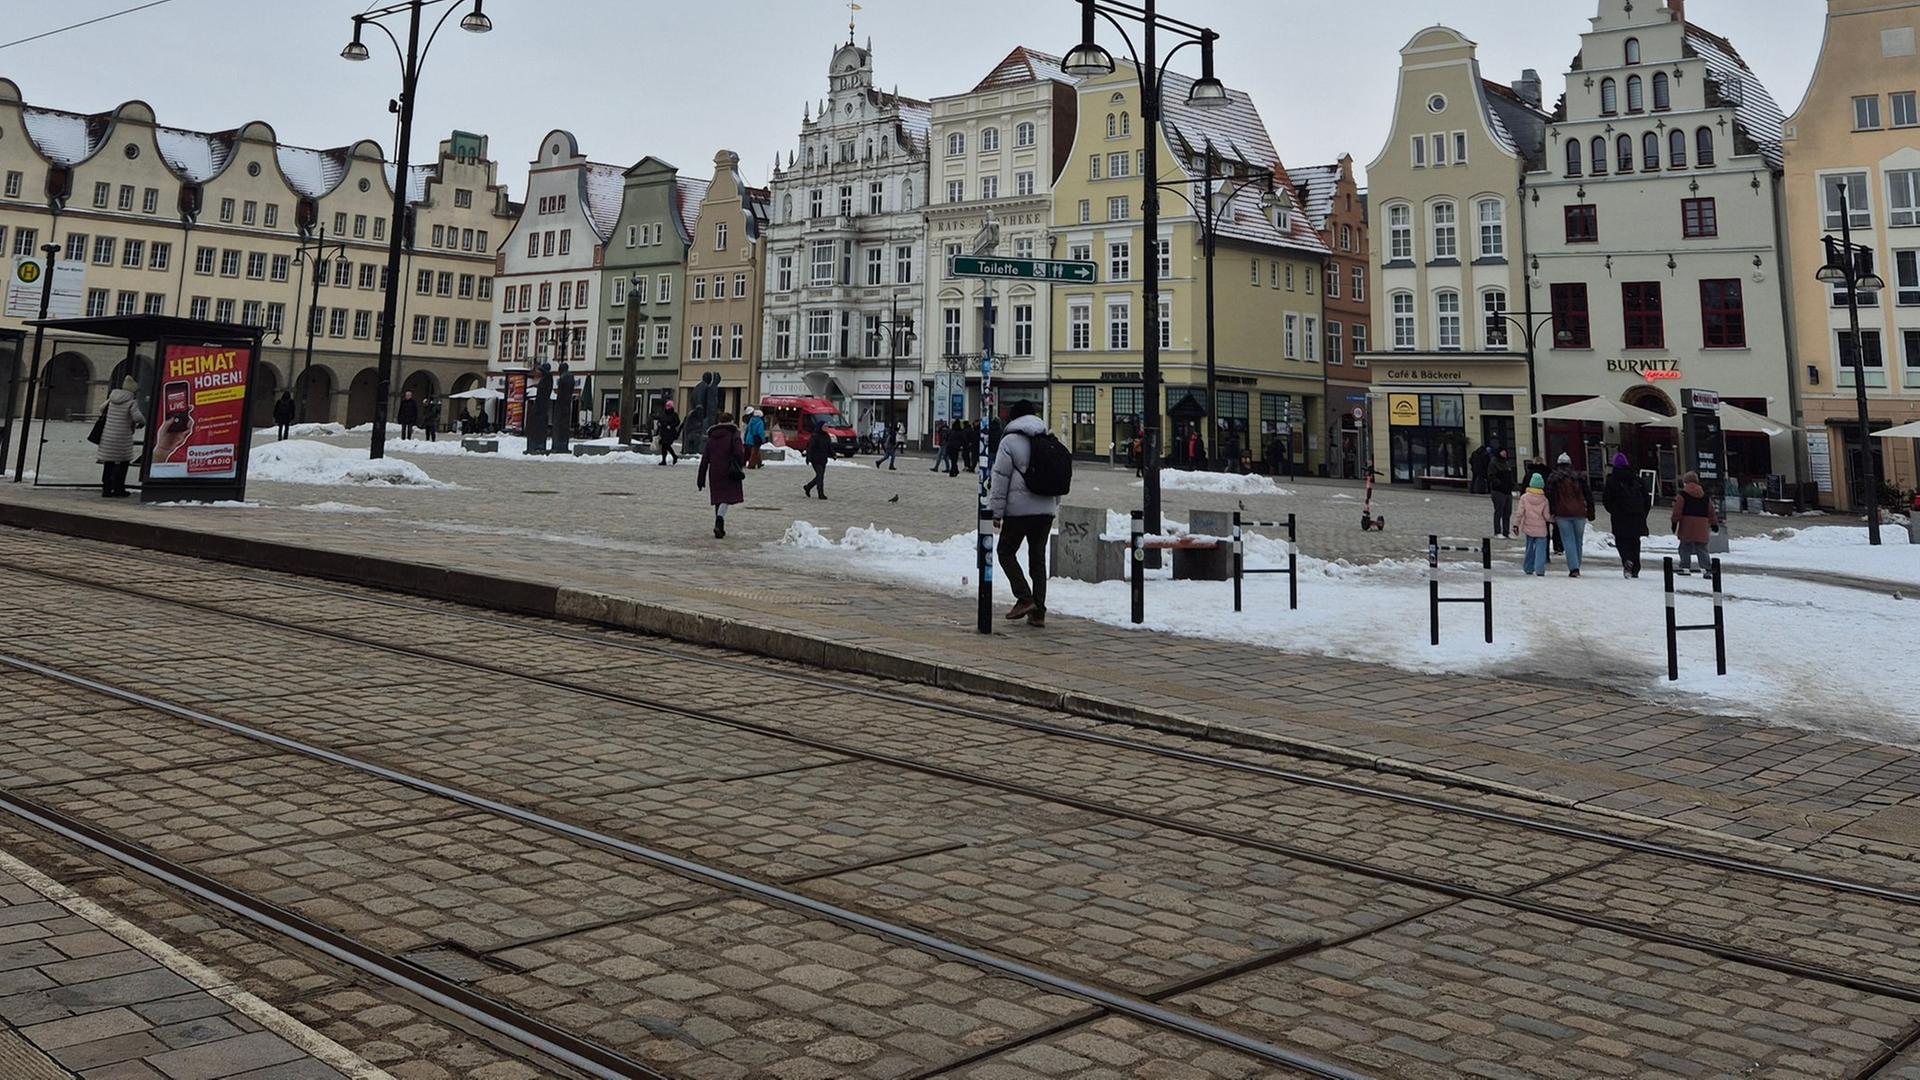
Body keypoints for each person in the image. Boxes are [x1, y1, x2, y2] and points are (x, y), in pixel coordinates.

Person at [990, 399, 1060, 627]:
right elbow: (1056, 477)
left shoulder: (1009, 441)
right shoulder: (1049, 439)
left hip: (1019, 511)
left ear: (1014, 418)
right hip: (1046, 510)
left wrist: (996, 512)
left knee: (1005, 552)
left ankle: (1024, 598)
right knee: (1037, 559)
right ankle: (1038, 612)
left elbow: (1000, 478)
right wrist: (1052, 506)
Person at [696, 411, 747, 539]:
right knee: (725, 497)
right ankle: (719, 520)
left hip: (714, 472)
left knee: (718, 497)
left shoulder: (712, 436)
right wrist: (740, 463)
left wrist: (701, 477)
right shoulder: (734, 434)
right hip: (729, 470)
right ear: (731, 421)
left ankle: (719, 526)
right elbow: (739, 452)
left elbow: (705, 458)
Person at [1602, 452, 1652, 578]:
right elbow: (1647, 499)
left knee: (1621, 540)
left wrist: (1614, 510)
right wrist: (1643, 513)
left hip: (1620, 516)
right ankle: (1635, 567)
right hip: (1637, 515)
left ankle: (1627, 559)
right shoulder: (1637, 480)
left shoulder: (1612, 481)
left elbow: (1606, 500)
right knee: (1635, 541)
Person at [95, 376, 145, 498]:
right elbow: (137, 417)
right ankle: (119, 488)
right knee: (123, 462)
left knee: (108, 463)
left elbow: (101, 408)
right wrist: (143, 422)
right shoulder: (131, 402)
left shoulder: (112, 398)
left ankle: (106, 489)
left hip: (108, 435)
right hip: (122, 437)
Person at [1546, 451, 1593, 577]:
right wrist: (1590, 510)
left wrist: (1552, 511)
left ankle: (1574, 568)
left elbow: (1550, 496)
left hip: (1562, 513)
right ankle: (1577, 564)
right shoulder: (1579, 477)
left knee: (1568, 540)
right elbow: (1588, 494)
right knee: (1578, 540)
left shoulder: (1554, 477)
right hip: (1579, 512)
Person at [1671, 469, 1717, 575]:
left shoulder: (1682, 495)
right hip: (1702, 525)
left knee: (1685, 547)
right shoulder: (1705, 496)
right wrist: (1714, 523)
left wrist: (1674, 522)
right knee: (1702, 548)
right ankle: (1707, 569)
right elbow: (1711, 511)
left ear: (1685, 482)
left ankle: (1685, 567)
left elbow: (1677, 510)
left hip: (1687, 524)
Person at [1517, 473, 1553, 576]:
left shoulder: (1524, 498)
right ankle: (1540, 569)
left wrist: (1516, 524)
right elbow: (1546, 516)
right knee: (1541, 550)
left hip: (1528, 527)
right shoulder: (1544, 499)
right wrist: (1553, 519)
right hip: (1541, 529)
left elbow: (1520, 513)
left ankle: (1528, 567)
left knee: (1529, 548)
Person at [801, 416, 832, 499]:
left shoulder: (827, 436)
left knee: (819, 476)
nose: (826, 428)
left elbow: (829, 447)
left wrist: (833, 454)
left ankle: (808, 487)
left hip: (823, 459)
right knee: (820, 476)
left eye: (827, 426)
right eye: (825, 426)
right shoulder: (815, 436)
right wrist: (808, 457)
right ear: (820, 427)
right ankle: (821, 494)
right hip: (815, 459)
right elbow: (810, 447)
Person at [1488, 448, 1516, 538]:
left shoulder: (1507, 463)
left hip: (1508, 491)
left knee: (1507, 512)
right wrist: (1499, 484)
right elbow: (1491, 476)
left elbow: (1510, 476)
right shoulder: (1493, 463)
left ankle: (1506, 532)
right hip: (1498, 491)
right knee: (1499, 512)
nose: (1504, 454)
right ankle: (1497, 532)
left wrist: (1513, 485)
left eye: (1505, 452)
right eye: (1503, 452)